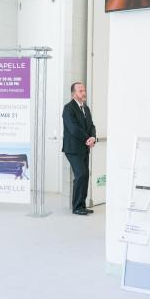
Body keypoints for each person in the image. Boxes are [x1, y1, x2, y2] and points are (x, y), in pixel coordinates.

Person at [62, 82, 96, 216]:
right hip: (73, 149)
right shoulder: (68, 108)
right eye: (80, 91)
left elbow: (91, 125)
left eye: (84, 90)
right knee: (81, 174)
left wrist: (93, 137)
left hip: (84, 148)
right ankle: (76, 207)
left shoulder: (86, 108)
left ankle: (82, 205)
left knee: (85, 175)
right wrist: (87, 138)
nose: (84, 93)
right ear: (73, 94)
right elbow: (73, 128)